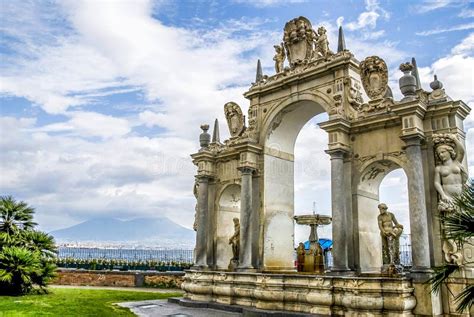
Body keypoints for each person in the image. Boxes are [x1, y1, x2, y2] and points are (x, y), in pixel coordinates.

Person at [433, 134, 467, 212]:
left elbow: (462, 152)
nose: (441, 155)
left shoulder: (457, 162)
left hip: (461, 194)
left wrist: (455, 139)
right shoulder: (439, 168)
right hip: (448, 196)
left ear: (449, 151)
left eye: (443, 152)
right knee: (450, 221)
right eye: (439, 154)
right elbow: (437, 183)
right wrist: (443, 195)